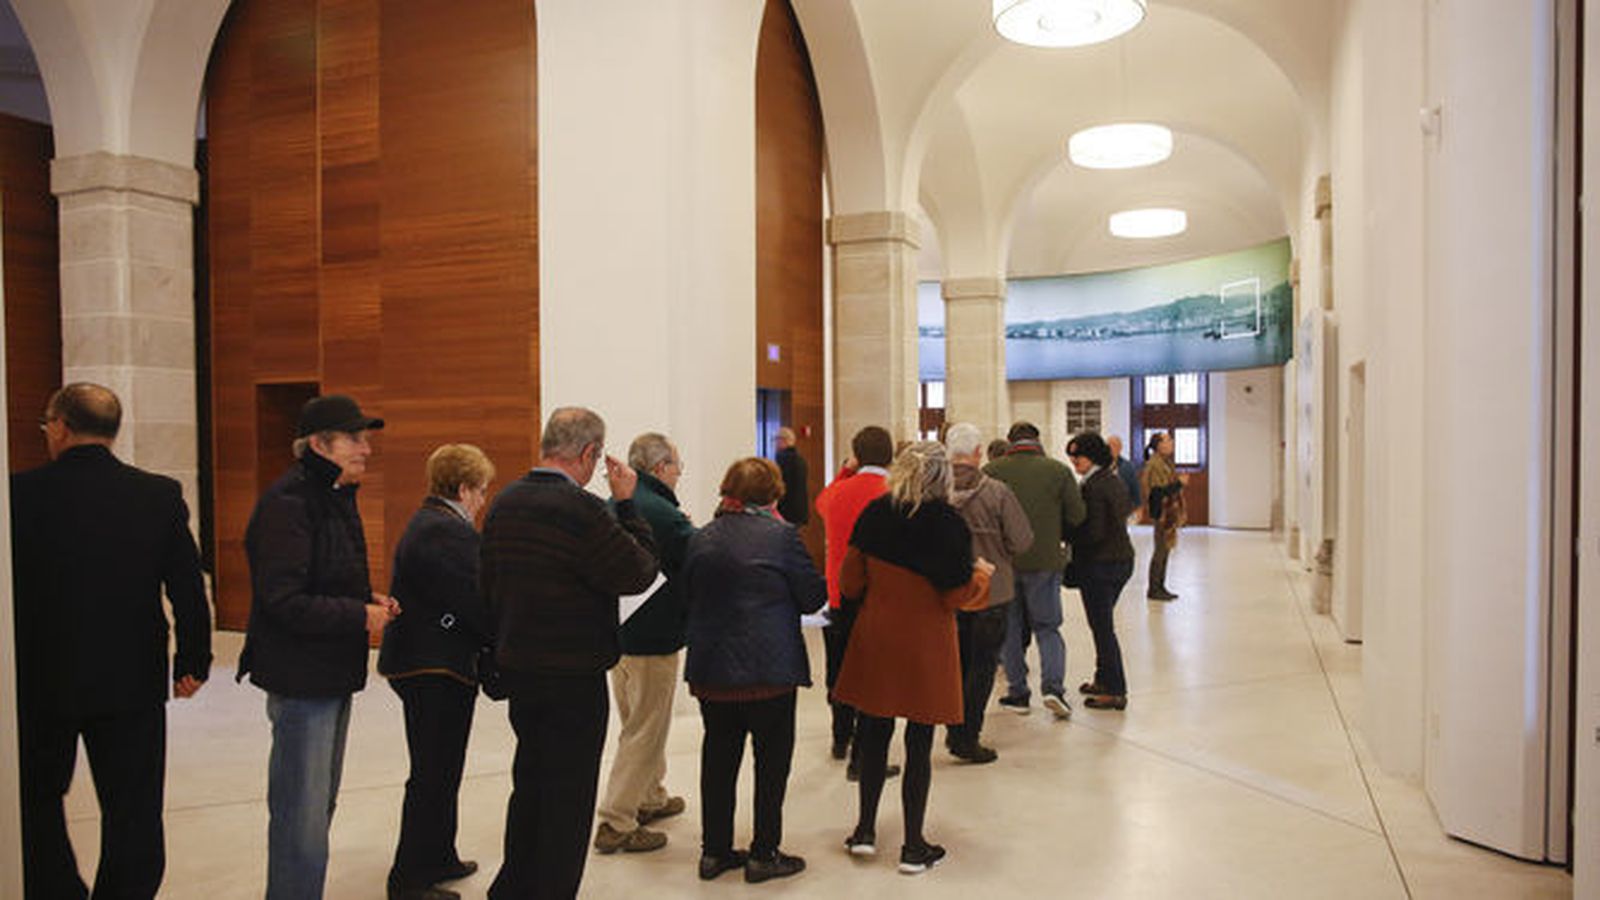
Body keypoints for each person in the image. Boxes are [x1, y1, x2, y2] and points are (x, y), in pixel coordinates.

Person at [11, 383, 211, 900]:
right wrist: (194, 659)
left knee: (33, 799)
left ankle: (56, 890)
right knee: (134, 807)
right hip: (131, 680)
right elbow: (187, 584)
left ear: (60, 426)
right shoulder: (157, 494)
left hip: (40, 679)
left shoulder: (17, 494)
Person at [481, 407, 658, 900]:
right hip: (573, 677)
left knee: (531, 786)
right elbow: (639, 571)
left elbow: (488, 585)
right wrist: (627, 505)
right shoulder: (580, 511)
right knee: (568, 800)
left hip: (520, 669)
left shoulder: (504, 503)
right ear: (588, 454)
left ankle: (514, 888)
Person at [240, 393, 397, 900]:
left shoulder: (332, 495)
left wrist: (363, 598)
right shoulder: (289, 504)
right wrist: (358, 615)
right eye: (355, 438)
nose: (366, 449)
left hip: (329, 674)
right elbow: (284, 600)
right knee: (300, 817)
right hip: (301, 680)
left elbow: (319, 577)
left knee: (316, 807)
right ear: (318, 444)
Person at [832, 442, 994, 874]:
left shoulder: (876, 513)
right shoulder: (950, 525)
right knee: (919, 744)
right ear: (943, 476)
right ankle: (913, 846)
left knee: (873, 733)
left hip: (877, 635)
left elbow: (849, 582)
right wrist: (980, 576)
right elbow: (957, 596)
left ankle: (864, 832)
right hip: (927, 641)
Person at [682, 457, 826, 884]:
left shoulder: (701, 538)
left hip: (712, 671)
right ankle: (764, 853)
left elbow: (686, 595)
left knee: (718, 760)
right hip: (770, 671)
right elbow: (811, 597)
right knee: (771, 763)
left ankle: (715, 852)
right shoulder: (781, 537)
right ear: (772, 495)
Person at [378, 444, 497, 900]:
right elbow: (472, 601)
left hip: (430, 663)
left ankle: (438, 855)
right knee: (432, 773)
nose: (484, 500)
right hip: (433, 667)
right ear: (463, 488)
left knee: (443, 768)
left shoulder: (432, 523)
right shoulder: (446, 532)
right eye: (481, 490)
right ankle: (409, 878)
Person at [593, 433, 695, 855]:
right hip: (654, 636)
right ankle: (616, 820)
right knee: (646, 730)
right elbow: (698, 557)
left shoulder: (612, 505)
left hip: (618, 636)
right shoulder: (665, 514)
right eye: (676, 465)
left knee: (636, 721)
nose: (680, 472)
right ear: (659, 469)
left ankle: (649, 796)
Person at [812, 425, 899, 781]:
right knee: (874, 678)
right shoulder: (893, 492)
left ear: (856, 455)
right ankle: (864, 757)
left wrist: (847, 470)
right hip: (879, 598)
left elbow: (821, 503)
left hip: (838, 596)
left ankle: (839, 737)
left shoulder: (837, 493)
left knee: (839, 670)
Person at [942, 423, 1033, 764]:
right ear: (979, 453)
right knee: (982, 668)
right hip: (992, 592)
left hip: (949, 593)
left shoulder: (935, 493)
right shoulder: (997, 492)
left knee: (956, 665)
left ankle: (953, 727)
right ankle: (966, 737)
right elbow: (1022, 540)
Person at [983, 421, 1084, 719]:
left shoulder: (992, 472)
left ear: (1010, 441)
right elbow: (1077, 515)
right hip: (1045, 561)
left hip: (1005, 562)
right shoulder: (1058, 471)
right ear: (1037, 440)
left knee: (1011, 629)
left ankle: (1018, 693)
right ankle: (1053, 689)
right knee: (1047, 627)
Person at [1065, 433, 1136, 711]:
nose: (1073, 461)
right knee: (1101, 624)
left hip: (1101, 565)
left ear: (1091, 456)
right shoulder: (1110, 479)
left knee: (1103, 628)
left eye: (1077, 456)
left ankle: (1115, 690)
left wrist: (1066, 531)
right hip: (1120, 560)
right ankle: (1103, 678)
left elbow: (1093, 532)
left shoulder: (1093, 486)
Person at [1140, 431, 1187, 601]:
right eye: (1168, 440)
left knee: (1165, 549)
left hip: (1167, 512)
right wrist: (1179, 484)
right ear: (1159, 445)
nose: (1172, 442)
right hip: (1161, 513)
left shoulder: (1165, 463)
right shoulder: (1155, 465)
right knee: (1160, 551)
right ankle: (1154, 588)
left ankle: (1160, 586)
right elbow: (1157, 493)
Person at [773, 426, 809, 526]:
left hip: (785, 511)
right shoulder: (801, 460)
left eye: (776, 439)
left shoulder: (782, 460)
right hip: (799, 510)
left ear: (783, 440)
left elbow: (780, 486)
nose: (774, 443)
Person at [1107, 435, 1141, 515]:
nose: (1112, 448)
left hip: (1123, 507)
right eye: (1109, 446)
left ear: (1120, 448)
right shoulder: (1100, 465)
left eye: (1115, 446)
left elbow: (1135, 487)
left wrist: (1138, 506)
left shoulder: (1128, 466)